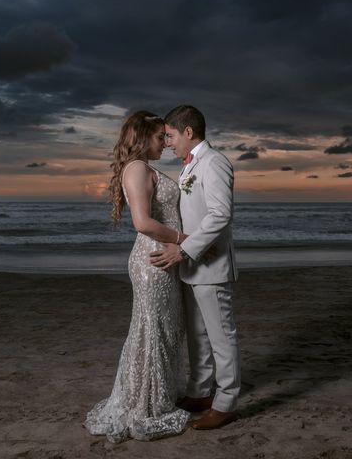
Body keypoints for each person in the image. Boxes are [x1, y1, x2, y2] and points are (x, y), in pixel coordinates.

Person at [84, 111, 190, 443]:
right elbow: (143, 223)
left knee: (161, 329)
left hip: (161, 258)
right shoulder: (138, 168)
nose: (165, 142)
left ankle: (156, 395)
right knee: (153, 330)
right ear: (143, 137)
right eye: (160, 137)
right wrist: (186, 241)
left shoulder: (142, 168)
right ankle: (147, 404)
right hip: (154, 261)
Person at [150, 105, 241, 430]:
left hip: (211, 265)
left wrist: (183, 249)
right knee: (198, 335)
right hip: (193, 265)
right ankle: (201, 391)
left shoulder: (214, 162)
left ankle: (227, 401)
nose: (168, 143)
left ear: (188, 132)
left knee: (221, 336)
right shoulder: (190, 166)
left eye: (171, 136)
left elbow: (220, 214)